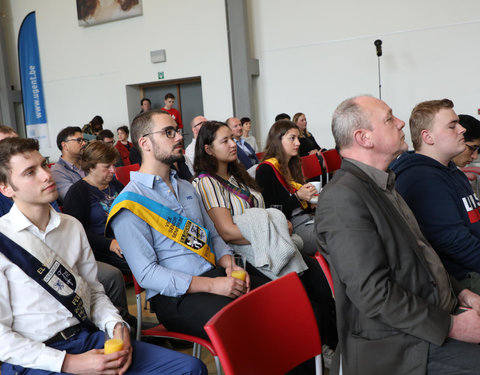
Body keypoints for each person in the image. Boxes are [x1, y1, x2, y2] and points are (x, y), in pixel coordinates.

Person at [0, 136, 207, 375]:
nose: (47, 175)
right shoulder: (5, 240)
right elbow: (3, 339)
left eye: (44, 165)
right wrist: (69, 363)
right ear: (5, 188)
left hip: (87, 338)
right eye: (29, 172)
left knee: (189, 368)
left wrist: (116, 325)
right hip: (37, 357)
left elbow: (94, 292)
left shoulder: (71, 226)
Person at [316, 95, 480, 375]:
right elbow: (373, 293)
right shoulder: (343, 199)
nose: (402, 122)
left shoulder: (383, 183)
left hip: (427, 317)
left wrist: (461, 293)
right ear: (364, 138)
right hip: (395, 344)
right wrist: (452, 326)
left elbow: (423, 258)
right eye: (390, 119)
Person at [107, 110, 266, 340]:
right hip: (177, 297)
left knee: (276, 298)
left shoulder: (186, 187)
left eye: (177, 131)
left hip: (216, 274)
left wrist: (231, 264)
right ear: (145, 143)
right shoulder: (130, 203)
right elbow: (147, 274)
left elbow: (212, 235)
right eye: (168, 132)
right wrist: (213, 286)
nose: (179, 137)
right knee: (249, 325)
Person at [192, 121, 338, 349]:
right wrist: (277, 229)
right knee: (306, 300)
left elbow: (264, 210)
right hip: (246, 255)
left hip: (270, 243)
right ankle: (315, 349)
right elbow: (228, 232)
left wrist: (278, 225)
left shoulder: (238, 176)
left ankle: (331, 344)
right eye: (225, 141)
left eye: (233, 138)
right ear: (208, 149)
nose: (233, 144)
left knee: (318, 278)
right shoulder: (206, 183)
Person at [391, 100, 480, 293]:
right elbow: (455, 244)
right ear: (428, 137)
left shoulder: (450, 170)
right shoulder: (421, 178)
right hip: (463, 279)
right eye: (452, 125)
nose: (462, 129)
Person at [64, 141, 130, 274]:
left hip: (126, 239)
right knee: (143, 262)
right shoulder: (78, 192)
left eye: (114, 165)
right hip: (100, 248)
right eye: (107, 166)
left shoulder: (115, 185)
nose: (113, 170)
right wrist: (108, 244)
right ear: (91, 167)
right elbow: (77, 232)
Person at [256, 120, 319, 256]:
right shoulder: (266, 169)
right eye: (292, 138)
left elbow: (298, 205)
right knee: (336, 233)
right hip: (290, 229)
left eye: (298, 138)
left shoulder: (292, 165)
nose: (298, 143)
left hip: (307, 219)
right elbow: (271, 211)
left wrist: (310, 203)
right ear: (278, 141)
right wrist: (298, 197)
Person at [51, 126, 87, 204]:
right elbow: (72, 198)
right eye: (79, 140)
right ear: (65, 145)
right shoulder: (57, 171)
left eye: (83, 140)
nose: (84, 143)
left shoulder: (88, 163)